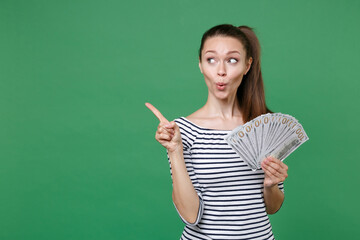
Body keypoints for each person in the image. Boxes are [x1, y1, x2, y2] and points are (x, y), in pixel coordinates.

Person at [145, 24, 289, 240]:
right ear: (201, 65)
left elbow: (273, 207)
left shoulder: (265, 126)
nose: (221, 71)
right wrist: (175, 150)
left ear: (247, 65)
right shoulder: (182, 131)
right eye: (211, 59)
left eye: (232, 60)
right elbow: (190, 215)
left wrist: (271, 185)